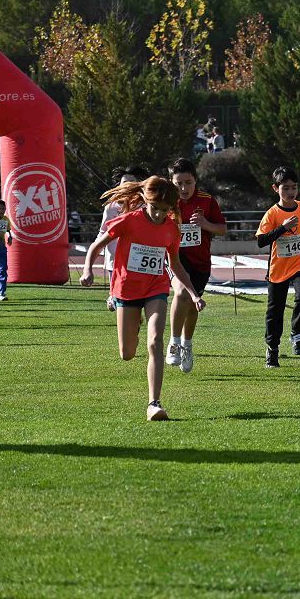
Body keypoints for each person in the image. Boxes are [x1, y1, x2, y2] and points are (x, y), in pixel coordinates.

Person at [79, 176, 206, 421]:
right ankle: (132, 324)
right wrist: (87, 270)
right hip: (126, 290)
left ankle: (154, 404)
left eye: (164, 210)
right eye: (155, 209)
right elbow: (97, 246)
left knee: (155, 341)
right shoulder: (129, 221)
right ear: (146, 201)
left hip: (155, 289)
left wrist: (193, 293)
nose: (159, 215)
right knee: (127, 353)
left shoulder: (171, 228)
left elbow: (176, 265)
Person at [165, 158, 227, 373]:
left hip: (201, 262)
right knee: (181, 292)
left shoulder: (207, 201)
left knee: (192, 306)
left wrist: (205, 224)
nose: (183, 188)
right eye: (178, 183)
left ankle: (187, 345)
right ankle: (173, 343)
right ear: (171, 182)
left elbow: (222, 229)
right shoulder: (166, 202)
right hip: (176, 258)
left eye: (188, 182)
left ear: (195, 180)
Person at [257, 166, 300, 367]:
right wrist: (283, 227)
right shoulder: (272, 214)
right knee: (275, 311)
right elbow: (261, 241)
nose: (291, 192)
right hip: (278, 268)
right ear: (275, 188)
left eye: (294, 187)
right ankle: (272, 349)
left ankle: (296, 332)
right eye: (285, 188)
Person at [98, 166, 149, 311]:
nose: (127, 186)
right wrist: (96, 250)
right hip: (114, 257)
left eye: (131, 182)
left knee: (134, 298)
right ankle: (113, 297)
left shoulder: (146, 206)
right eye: (124, 182)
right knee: (119, 298)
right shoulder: (111, 207)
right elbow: (102, 232)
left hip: (136, 256)